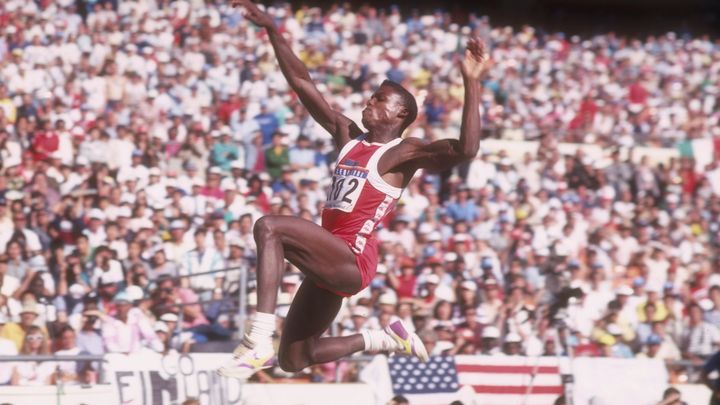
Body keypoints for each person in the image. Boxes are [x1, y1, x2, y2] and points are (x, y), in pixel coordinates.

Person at [218, 0, 487, 379]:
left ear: (399, 115)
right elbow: (301, 82)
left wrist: (471, 81)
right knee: (294, 359)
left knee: (269, 226)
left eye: (379, 99)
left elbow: (467, 149)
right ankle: (382, 339)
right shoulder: (349, 136)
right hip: (330, 256)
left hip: (352, 259)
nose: (368, 101)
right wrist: (272, 29)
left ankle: (257, 338)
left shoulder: (402, 152)